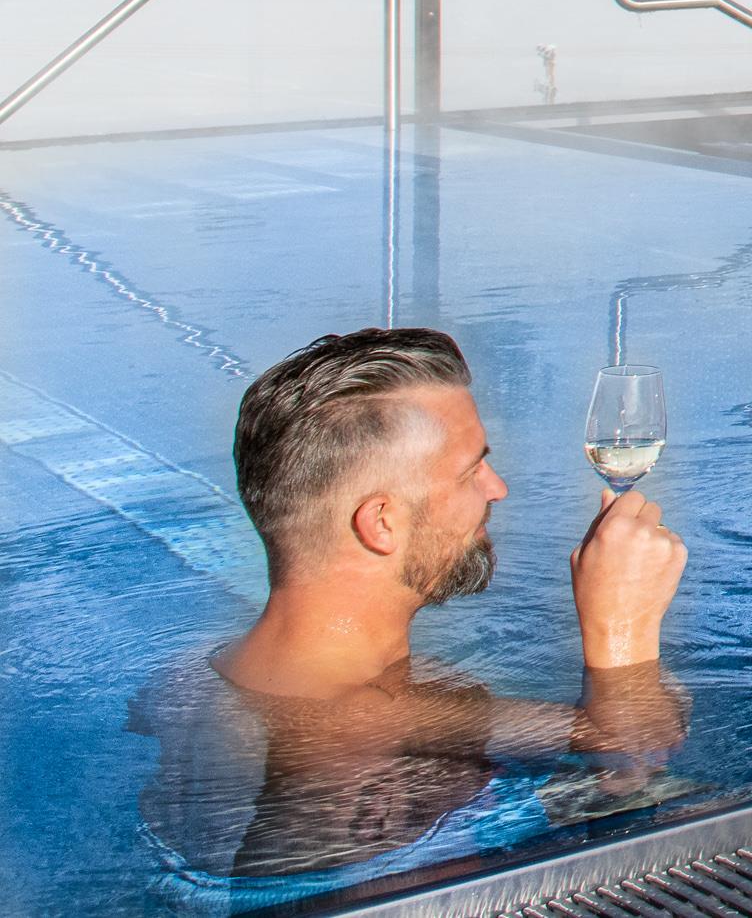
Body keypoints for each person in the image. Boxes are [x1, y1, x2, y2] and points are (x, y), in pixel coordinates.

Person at [134, 326, 689, 887]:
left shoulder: (187, 678)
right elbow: (634, 750)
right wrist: (623, 622)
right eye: (471, 470)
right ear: (382, 523)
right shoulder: (361, 723)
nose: (497, 488)